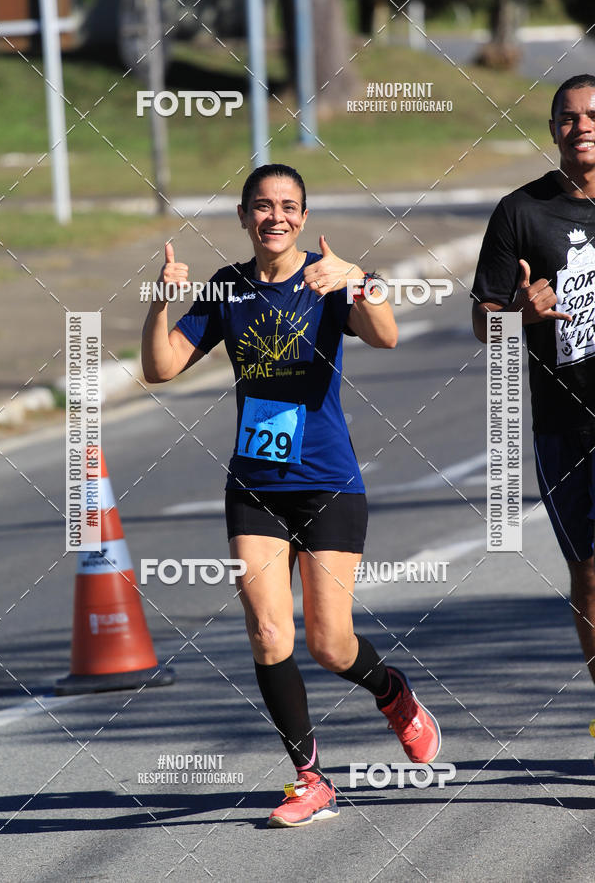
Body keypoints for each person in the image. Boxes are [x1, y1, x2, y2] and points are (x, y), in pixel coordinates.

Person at [142, 163, 441, 827]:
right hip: (254, 485)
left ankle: (394, 695)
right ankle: (310, 779)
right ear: (245, 217)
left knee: (331, 645)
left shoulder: (329, 279)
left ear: (302, 218)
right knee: (268, 631)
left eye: (288, 206)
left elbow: (386, 333)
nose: (275, 216)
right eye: (262, 206)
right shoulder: (228, 287)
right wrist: (161, 300)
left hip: (328, 482)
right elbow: (159, 367)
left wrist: (358, 279)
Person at [471, 75, 595, 721]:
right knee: (590, 579)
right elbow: (483, 326)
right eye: (568, 118)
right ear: (552, 132)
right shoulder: (520, 214)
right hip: (562, 426)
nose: (582, 127)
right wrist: (519, 314)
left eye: (592, 115)